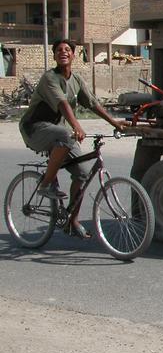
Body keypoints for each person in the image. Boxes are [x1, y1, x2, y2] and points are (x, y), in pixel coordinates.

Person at [18, 40, 124, 238]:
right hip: (34, 129)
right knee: (66, 135)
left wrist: (115, 123)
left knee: (83, 174)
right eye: (59, 50)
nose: (63, 52)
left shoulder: (75, 79)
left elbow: (92, 103)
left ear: (74, 55)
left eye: (67, 49)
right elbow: (63, 105)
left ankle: (72, 221)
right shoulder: (50, 78)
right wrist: (76, 126)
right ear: (55, 56)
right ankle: (46, 184)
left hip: (59, 133)